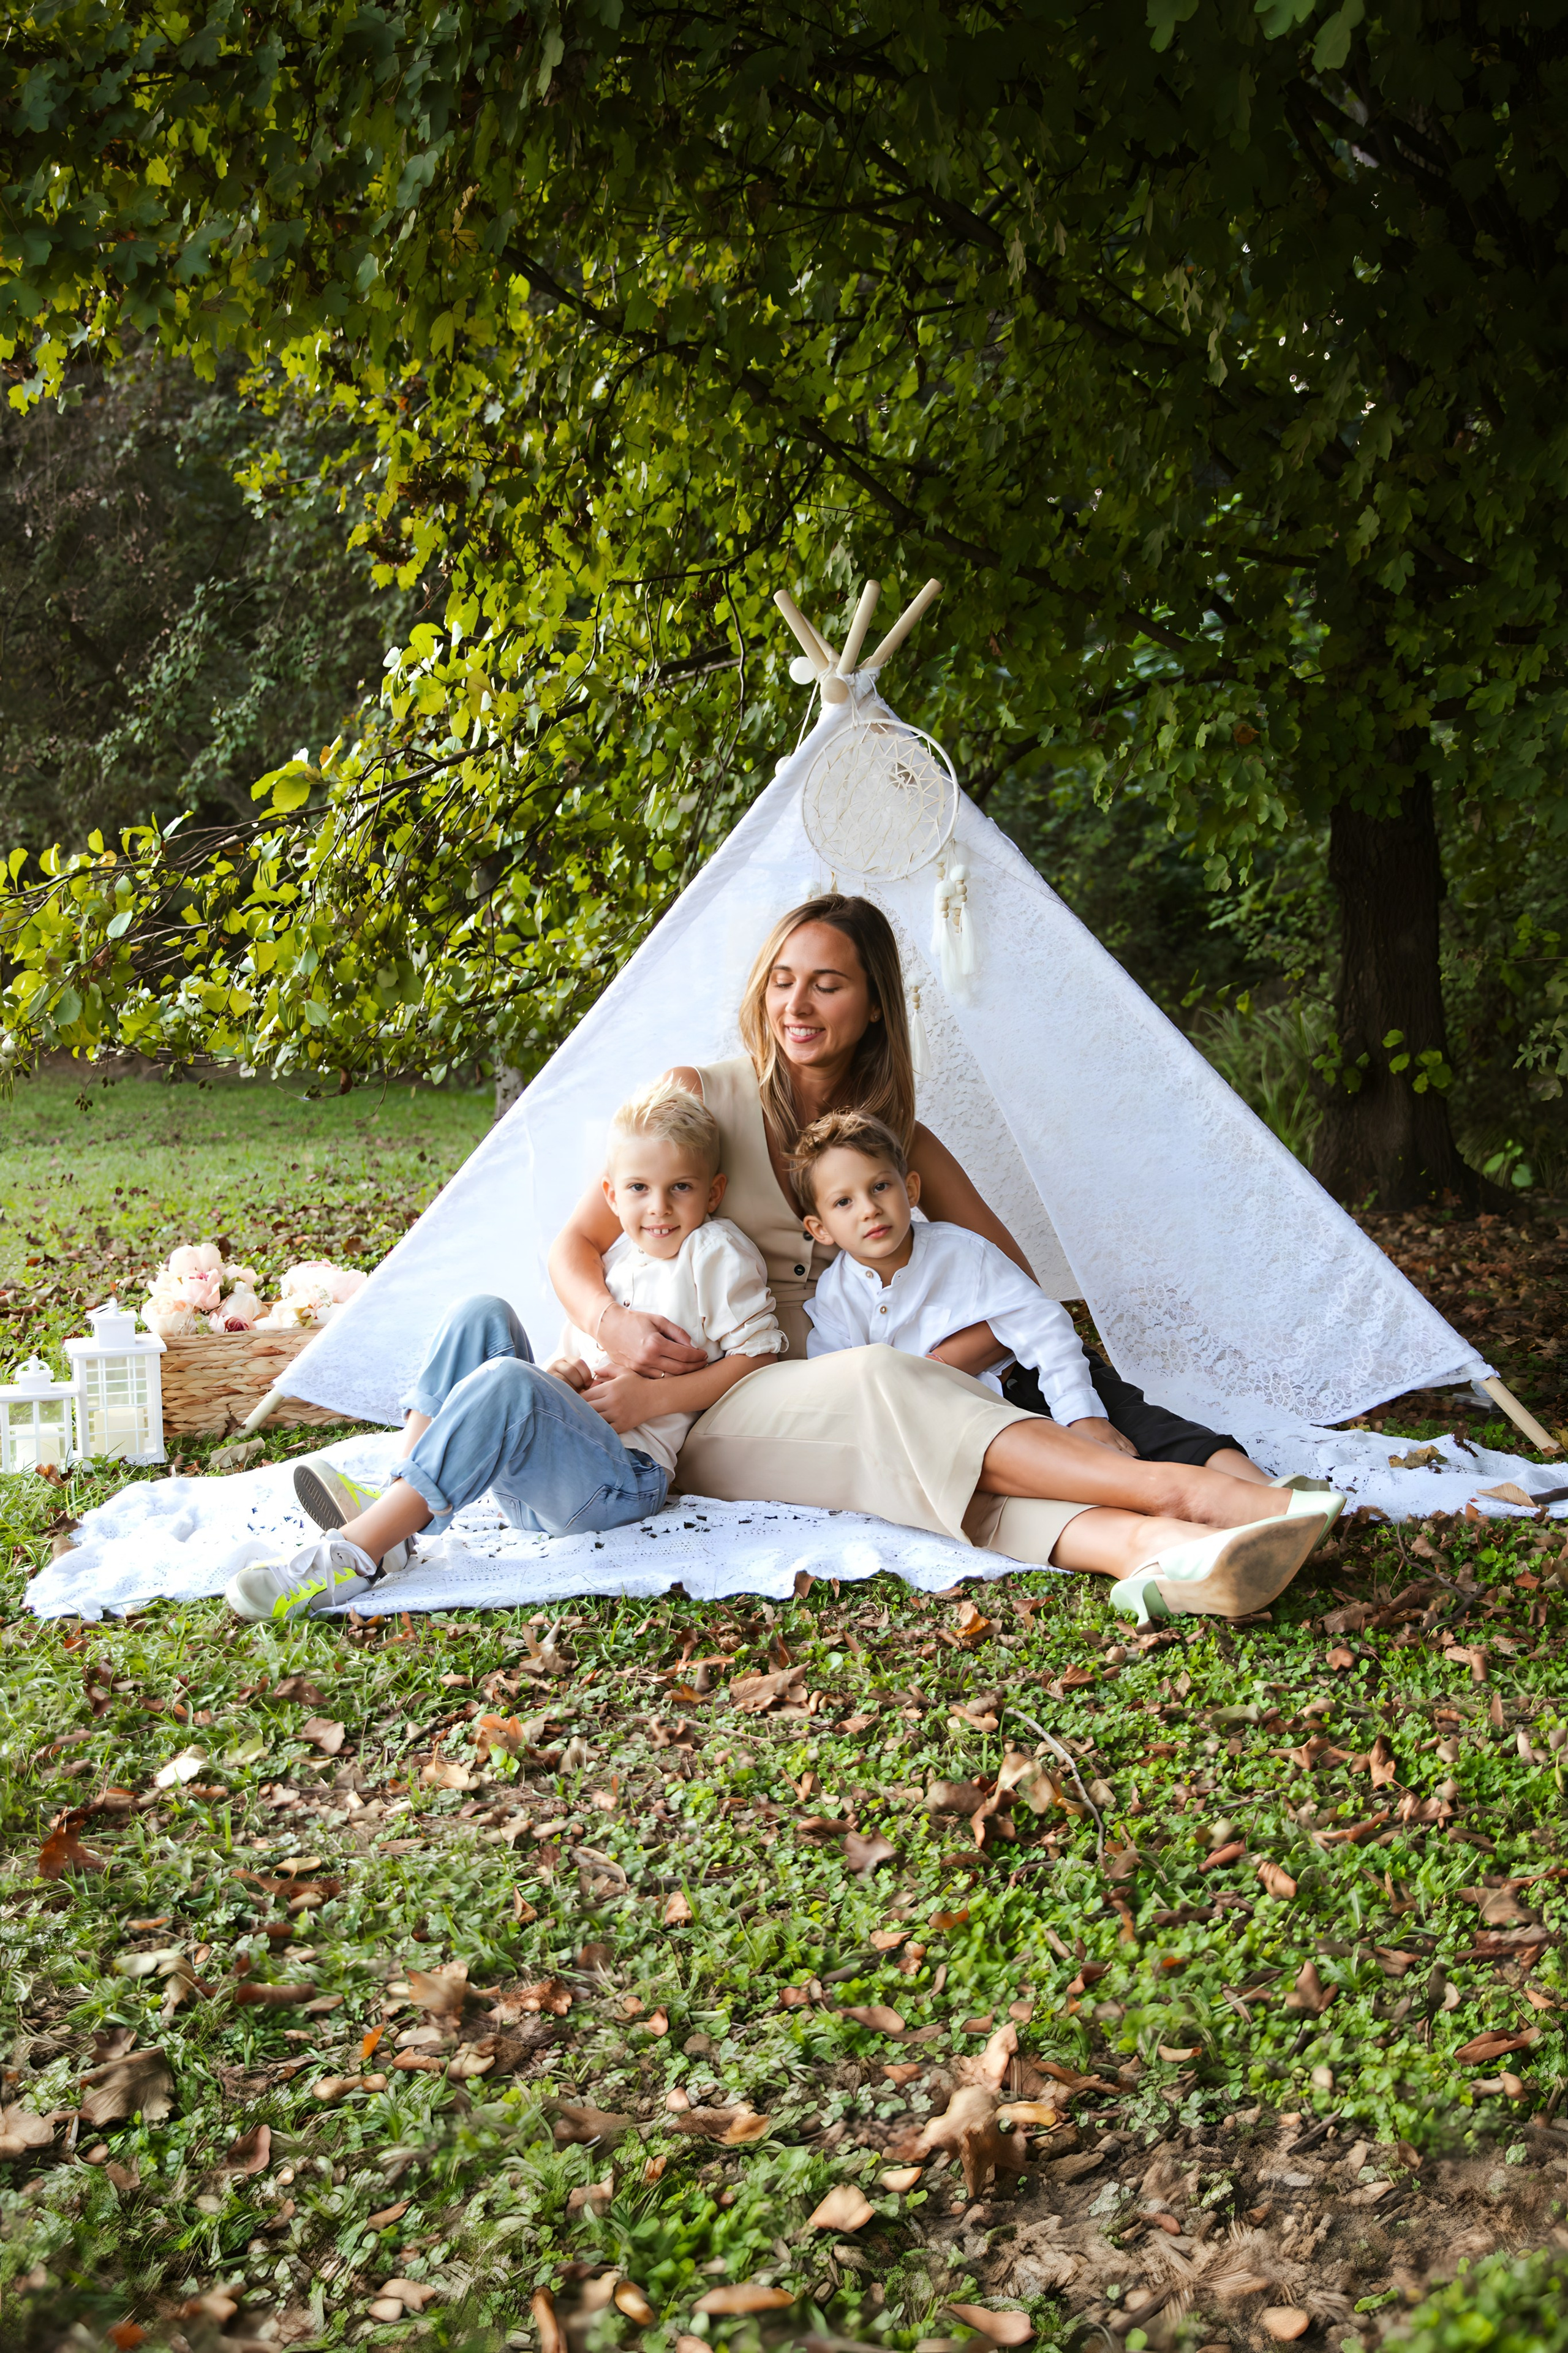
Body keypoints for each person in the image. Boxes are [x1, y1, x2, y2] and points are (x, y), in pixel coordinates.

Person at [546, 892, 1338, 1622]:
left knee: (944, 1425)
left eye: (827, 983)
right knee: (886, 1382)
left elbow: (1011, 1283)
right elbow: (577, 1241)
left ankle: (1149, 1548)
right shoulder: (699, 1096)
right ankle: (1185, 1497)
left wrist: (943, 1362)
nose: (796, 1003)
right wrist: (609, 1323)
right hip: (719, 1395)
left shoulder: (897, 1140)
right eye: (782, 979)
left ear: (875, 1005)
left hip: (847, 1386)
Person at [225, 1081, 785, 1622]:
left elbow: (760, 1358)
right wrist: (563, 1382)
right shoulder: (620, 1253)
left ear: (712, 1191)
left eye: (680, 1188)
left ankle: (357, 1551)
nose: (658, 1208)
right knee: (480, 1313)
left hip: (621, 1482)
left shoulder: (714, 1253)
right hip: (536, 1486)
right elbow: (581, 1376)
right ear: (611, 1195)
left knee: (510, 1384)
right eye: (639, 1188)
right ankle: (400, 1508)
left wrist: (650, 1401)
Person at [790, 1106, 1340, 1622]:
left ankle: (1272, 1502)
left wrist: (1082, 1414)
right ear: (819, 1229)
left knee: (1150, 1429)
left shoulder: (963, 1253)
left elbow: (1043, 1327)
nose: (868, 1209)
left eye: (880, 1187)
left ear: (910, 1189)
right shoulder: (836, 1302)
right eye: (844, 1202)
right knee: (1088, 1482)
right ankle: (1207, 1536)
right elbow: (845, 1387)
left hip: (1036, 1376)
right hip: (987, 1422)